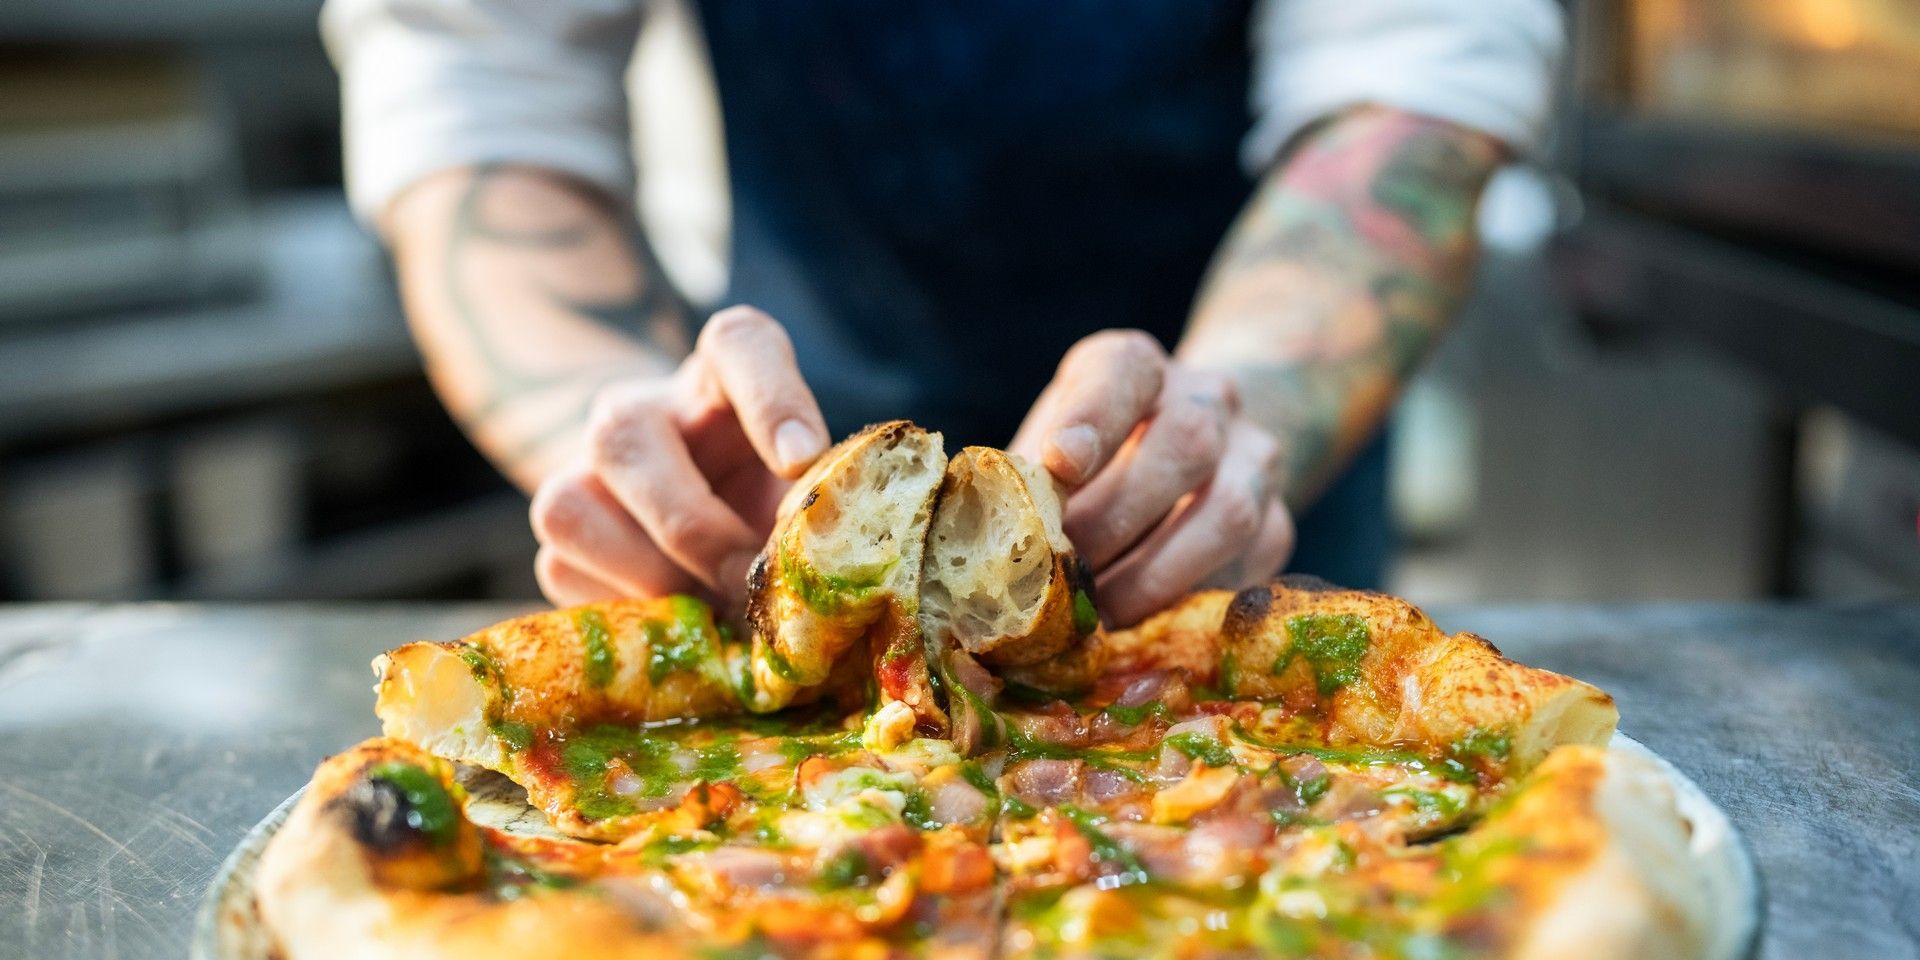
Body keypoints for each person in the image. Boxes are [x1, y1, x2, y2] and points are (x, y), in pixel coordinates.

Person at [324, 0, 1562, 625]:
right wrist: (640, 461)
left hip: (1228, 496)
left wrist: (1240, 421)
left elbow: (1405, 100)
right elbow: (482, 112)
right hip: (780, 475)